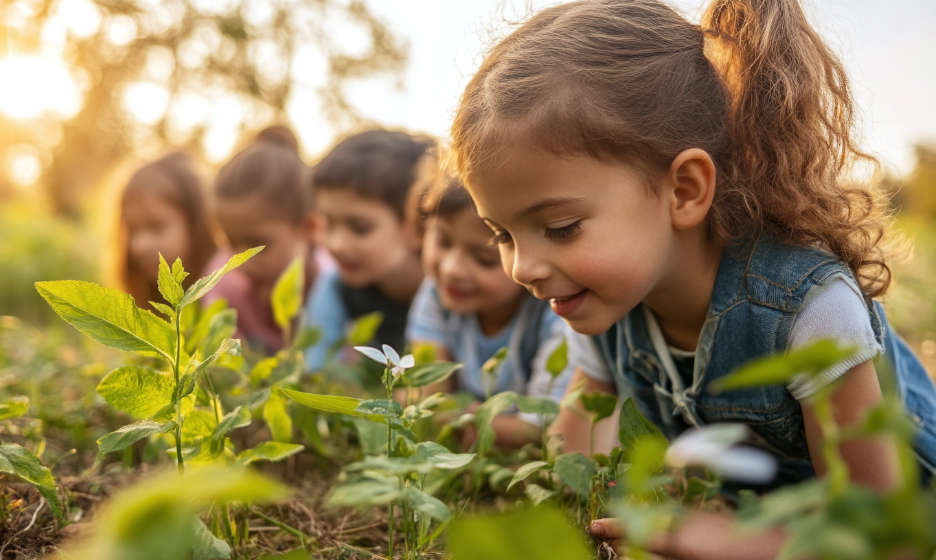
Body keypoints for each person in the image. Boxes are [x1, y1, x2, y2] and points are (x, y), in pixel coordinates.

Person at [449, 0, 936, 556]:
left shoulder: (808, 309)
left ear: (684, 190)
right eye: (503, 235)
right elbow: (578, 452)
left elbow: (881, 538)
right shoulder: (605, 299)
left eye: (560, 228)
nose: (522, 269)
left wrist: (706, 537)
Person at [407, 177, 577, 448]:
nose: (452, 269)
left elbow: (544, 425)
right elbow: (429, 391)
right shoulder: (436, 292)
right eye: (443, 242)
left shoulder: (554, 313)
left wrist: (457, 420)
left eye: (484, 259)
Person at [304, 129, 434, 372]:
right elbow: (316, 371)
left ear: (415, 225)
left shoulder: (449, 293)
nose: (337, 244)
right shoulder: (335, 287)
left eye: (360, 228)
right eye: (328, 223)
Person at [207, 125, 330, 354]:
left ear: (310, 228)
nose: (241, 259)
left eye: (257, 246)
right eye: (231, 243)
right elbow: (221, 364)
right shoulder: (225, 285)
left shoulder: (332, 282)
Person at [113, 151, 218, 308]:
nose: (140, 245)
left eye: (156, 227)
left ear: (196, 222)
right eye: (132, 229)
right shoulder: (142, 302)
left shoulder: (227, 291)